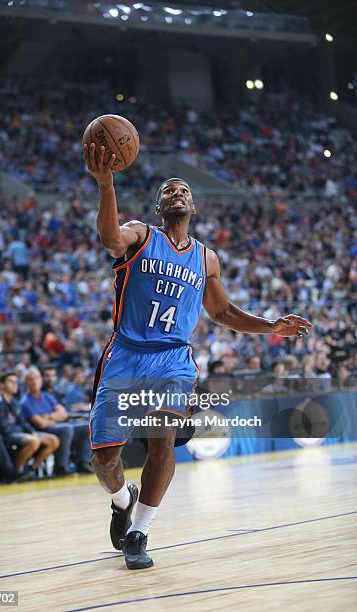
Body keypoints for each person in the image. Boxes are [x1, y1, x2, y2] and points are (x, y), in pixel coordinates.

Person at [84, 141, 313, 570]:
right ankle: (122, 499)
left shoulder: (207, 259)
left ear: (194, 206)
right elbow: (109, 237)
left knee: (163, 439)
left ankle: (140, 531)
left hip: (173, 359)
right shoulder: (140, 235)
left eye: (184, 190)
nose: (177, 193)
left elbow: (222, 311)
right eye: (169, 190)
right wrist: (106, 182)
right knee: (105, 460)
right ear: (158, 206)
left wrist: (270, 326)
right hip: (126, 355)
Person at [20, 367, 92, 476]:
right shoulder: (25, 402)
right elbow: (41, 424)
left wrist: (49, 416)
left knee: (87, 426)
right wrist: (55, 417)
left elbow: (64, 413)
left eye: (37, 378)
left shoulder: (46, 396)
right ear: (26, 382)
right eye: (31, 379)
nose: (35, 382)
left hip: (57, 425)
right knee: (66, 428)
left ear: (41, 380)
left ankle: (83, 462)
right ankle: (61, 467)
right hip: (42, 431)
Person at [0, 372, 60, 477]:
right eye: (11, 381)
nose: (14, 384)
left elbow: (22, 421)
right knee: (34, 441)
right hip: (7, 436)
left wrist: (32, 431)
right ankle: (16, 472)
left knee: (53, 440)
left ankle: (32, 468)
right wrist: (27, 434)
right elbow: (3, 428)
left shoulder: (13, 401)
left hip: (19, 433)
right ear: (2, 385)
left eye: (16, 382)